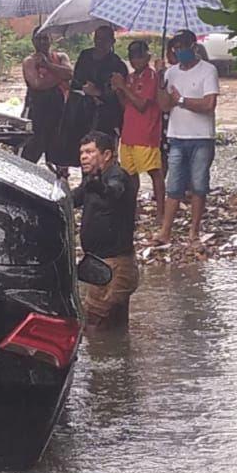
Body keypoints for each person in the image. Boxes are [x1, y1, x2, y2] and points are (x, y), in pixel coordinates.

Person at [157, 30, 220, 245]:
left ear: (193, 47)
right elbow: (164, 105)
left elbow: (209, 104)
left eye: (183, 47)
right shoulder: (171, 72)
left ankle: (194, 231)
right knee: (173, 187)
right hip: (176, 135)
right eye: (176, 48)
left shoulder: (208, 70)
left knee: (198, 186)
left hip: (202, 136)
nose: (179, 52)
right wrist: (160, 82)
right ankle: (165, 231)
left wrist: (182, 100)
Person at [72, 131, 139, 328]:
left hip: (114, 267)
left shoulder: (117, 176)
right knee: (113, 326)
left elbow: (114, 191)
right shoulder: (91, 180)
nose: (84, 157)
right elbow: (72, 199)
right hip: (100, 264)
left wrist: (100, 187)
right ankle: (120, 347)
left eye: (90, 152)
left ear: (107, 155)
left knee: (96, 327)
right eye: (82, 152)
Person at [112, 40, 165, 215]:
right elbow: (125, 105)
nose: (136, 61)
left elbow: (142, 105)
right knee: (130, 174)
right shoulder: (131, 77)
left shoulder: (151, 77)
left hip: (145, 133)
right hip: (128, 133)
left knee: (153, 172)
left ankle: (160, 211)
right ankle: (131, 210)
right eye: (133, 57)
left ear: (147, 57)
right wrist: (119, 90)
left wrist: (123, 87)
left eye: (140, 56)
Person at [21, 29, 73, 169]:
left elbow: (69, 73)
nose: (42, 42)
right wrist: (60, 76)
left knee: (59, 154)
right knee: (30, 152)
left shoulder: (61, 57)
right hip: (36, 113)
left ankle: (61, 179)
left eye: (45, 38)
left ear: (51, 39)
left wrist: (48, 65)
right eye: (39, 39)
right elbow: (37, 84)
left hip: (59, 111)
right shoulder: (29, 61)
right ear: (33, 41)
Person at [72, 24, 129, 141]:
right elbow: (75, 81)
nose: (100, 42)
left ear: (112, 41)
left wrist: (98, 93)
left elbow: (119, 94)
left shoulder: (118, 64)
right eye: (97, 38)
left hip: (105, 117)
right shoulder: (85, 56)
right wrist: (85, 88)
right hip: (81, 112)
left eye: (105, 39)